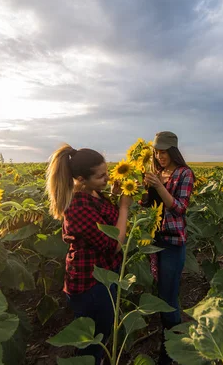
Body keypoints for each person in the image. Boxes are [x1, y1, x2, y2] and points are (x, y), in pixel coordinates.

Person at [46, 144, 132, 365]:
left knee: (102, 331)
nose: (108, 178)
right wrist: (124, 208)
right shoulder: (77, 206)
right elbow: (113, 244)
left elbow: (104, 216)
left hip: (105, 275)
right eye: (101, 176)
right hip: (90, 283)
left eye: (107, 172)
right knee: (94, 339)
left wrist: (112, 196)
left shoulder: (93, 193)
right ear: (82, 179)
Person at [142, 131, 195, 365]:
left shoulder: (185, 174)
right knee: (160, 291)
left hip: (173, 242)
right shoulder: (157, 173)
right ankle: (168, 338)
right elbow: (148, 205)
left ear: (173, 151)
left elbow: (179, 208)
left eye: (163, 152)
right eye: (157, 152)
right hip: (155, 240)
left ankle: (171, 349)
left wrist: (158, 186)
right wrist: (145, 188)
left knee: (168, 297)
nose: (159, 156)